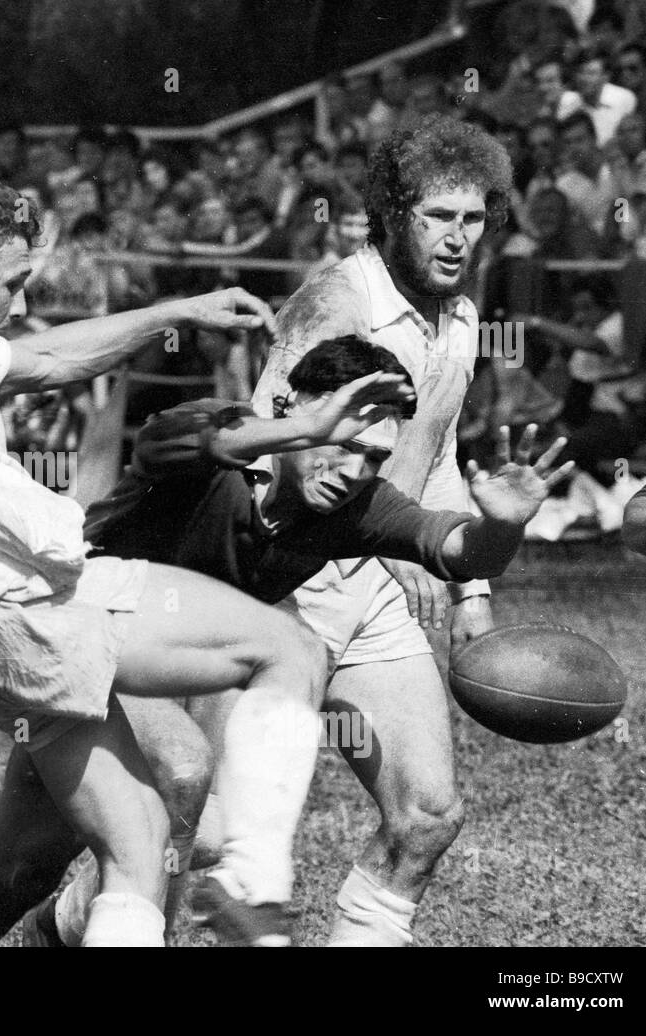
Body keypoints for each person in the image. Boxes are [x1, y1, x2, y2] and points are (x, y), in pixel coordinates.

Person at [0, 178, 412, 947]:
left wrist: (177, 311)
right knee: (290, 649)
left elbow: (48, 357)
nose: (21, 301)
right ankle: (250, 888)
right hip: (38, 610)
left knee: (128, 851)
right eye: (12, 283)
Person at [16, 337, 571, 947]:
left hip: (187, 656)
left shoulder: (357, 504)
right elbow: (169, 441)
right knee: (180, 779)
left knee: (6, 880)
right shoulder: (222, 438)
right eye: (342, 441)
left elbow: (458, 549)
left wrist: (502, 527)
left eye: (374, 457)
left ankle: (73, 924)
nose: (355, 470)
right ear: (292, 407)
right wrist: (304, 429)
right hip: (77, 631)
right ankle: (125, 912)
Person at [243, 115, 517, 947]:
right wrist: (378, 533)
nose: (456, 237)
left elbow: (435, 452)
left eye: (473, 218)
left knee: (427, 814)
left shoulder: (463, 315)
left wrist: (471, 586)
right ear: (393, 213)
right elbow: (274, 454)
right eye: (437, 216)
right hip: (278, 589)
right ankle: (69, 928)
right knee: (196, 829)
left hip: (376, 594)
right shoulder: (335, 301)